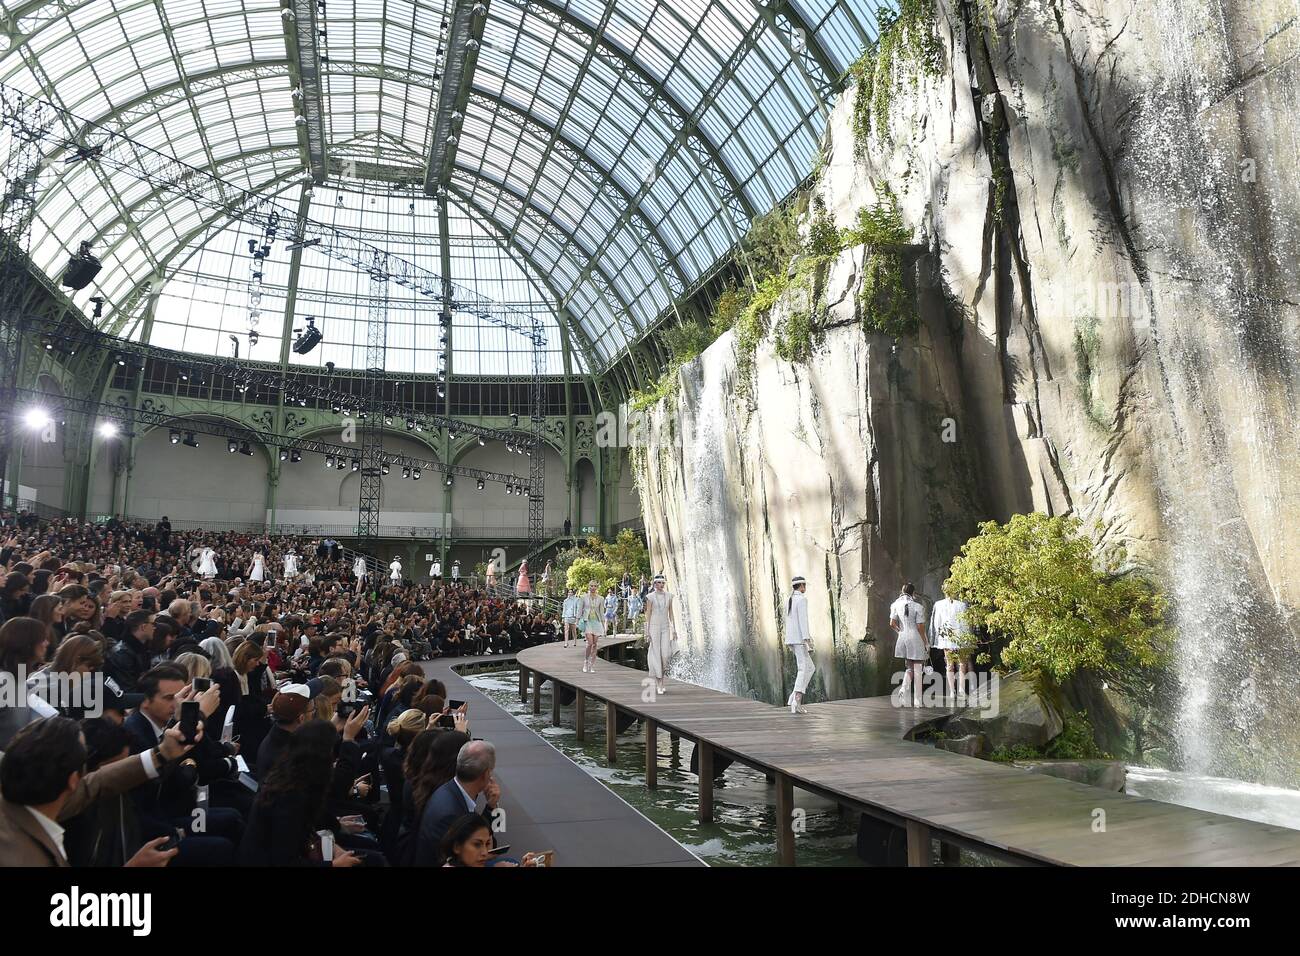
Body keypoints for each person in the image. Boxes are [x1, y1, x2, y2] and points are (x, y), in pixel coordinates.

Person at [0, 716, 197, 867]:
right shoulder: (21, 857)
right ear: (73, 780)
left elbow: (96, 783)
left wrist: (162, 754)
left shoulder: (26, 801)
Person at [413, 739, 500, 865]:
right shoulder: (450, 815)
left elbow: (488, 838)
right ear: (486, 774)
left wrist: (493, 806)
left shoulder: (453, 791)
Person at [929, 588, 974, 701]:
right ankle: (961, 690)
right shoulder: (962, 605)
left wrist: (940, 636)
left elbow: (936, 623)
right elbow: (965, 623)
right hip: (960, 637)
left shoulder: (938, 604)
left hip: (946, 638)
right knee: (962, 665)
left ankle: (952, 691)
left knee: (949, 664)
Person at [890, 583, 928, 707]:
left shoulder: (895, 604)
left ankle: (903, 689)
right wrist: (926, 642)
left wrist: (899, 632)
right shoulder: (918, 606)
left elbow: (892, 623)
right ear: (913, 592)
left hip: (903, 637)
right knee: (918, 669)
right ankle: (917, 700)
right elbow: (920, 627)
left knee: (909, 668)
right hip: (915, 637)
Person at [784, 575, 815, 715]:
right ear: (801, 586)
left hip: (792, 639)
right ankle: (797, 700)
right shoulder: (802, 600)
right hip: (800, 639)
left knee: (810, 668)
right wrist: (807, 639)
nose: (805, 588)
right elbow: (803, 621)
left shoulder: (789, 600)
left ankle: (793, 697)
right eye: (804, 585)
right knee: (803, 669)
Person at [642, 574, 677, 695]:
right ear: (655, 584)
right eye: (659, 583)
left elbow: (671, 613)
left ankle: (661, 679)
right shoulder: (650, 597)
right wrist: (647, 631)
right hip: (654, 627)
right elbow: (648, 614)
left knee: (665, 654)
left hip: (665, 627)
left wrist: (674, 629)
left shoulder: (669, 596)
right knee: (656, 653)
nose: (661, 585)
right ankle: (659, 683)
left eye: (663, 583)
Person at [576, 581, 606, 675]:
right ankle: (585, 661)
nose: (593, 587)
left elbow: (601, 612)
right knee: (590, 643)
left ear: (597, 587)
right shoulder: (583, 597)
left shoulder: (601, 598)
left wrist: (603, 624)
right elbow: (580, 610)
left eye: (594, 586)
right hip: (587, 621)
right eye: (591, 586)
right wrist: (577, 621)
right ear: (588, 587)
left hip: (597, 622)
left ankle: (592, 665)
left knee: (595, 644)